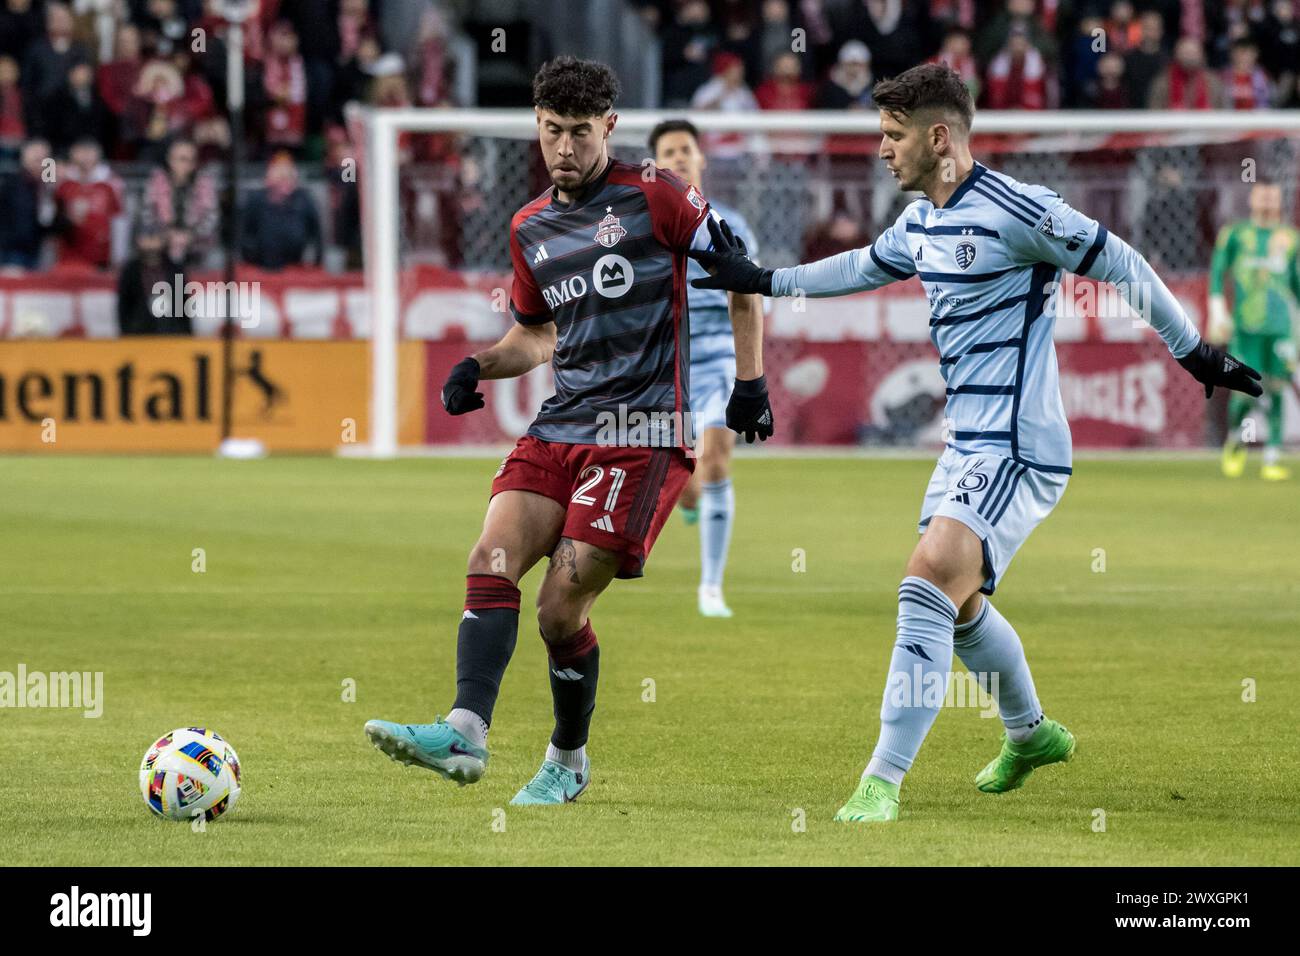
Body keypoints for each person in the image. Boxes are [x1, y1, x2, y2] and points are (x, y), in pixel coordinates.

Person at [689, 63, 1262, 824]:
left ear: (938, 136)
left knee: (926, 579)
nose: (883, 152)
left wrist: (1191, 349)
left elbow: (1119, 259)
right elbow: (862, 267)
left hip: (1019, 447)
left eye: (893, 137)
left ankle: (881, 781)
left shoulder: (1018, 209)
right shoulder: (923, 220)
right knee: (957, 609)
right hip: (967, 445)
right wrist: (764, 279)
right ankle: (1030, 734)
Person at [363, 56, 771, 805]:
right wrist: (480, 366)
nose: (566, 148)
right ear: (538, 127)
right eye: (552, 131)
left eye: (581, 133)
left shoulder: (659, 196)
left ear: (609, 127)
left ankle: (566, 760)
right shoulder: (530, 227)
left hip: (643, 432)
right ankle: (465, 732)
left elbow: (742, 276)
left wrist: (750, 385)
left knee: (558, 610)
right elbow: (535, 336)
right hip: (562, 424)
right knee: (489, 555)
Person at [650, 118, 763, 618]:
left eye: (685, 150)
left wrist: (750, 377)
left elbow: (751, 297)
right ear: (654, 167)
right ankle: (691, 501)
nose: (678, 158)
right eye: (668, 152)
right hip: (666, 364)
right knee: (682, 479)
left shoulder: (729, 225)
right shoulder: (643, 229)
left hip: (718, 358)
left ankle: (711, 587)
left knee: (716, 458)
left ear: (701, 160)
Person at [1210, 182, 1299, 481]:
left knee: (1277, 387)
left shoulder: (1291, 238)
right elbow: (1218, 272)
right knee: (1246, 388)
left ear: (1279, 199)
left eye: (1273, 194)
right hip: (1246, 327)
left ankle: (1272, 456)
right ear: (1251, 197)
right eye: (1262, 193)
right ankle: (1236, 437)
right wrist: (1217, 309)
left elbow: (1296, 283)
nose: (1267, 200)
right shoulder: (1236, 234)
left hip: (1281, 328)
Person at [53, 135, 122, 269]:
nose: (85, 157)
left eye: (89, 152)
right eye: (81, 152)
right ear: (72, 154)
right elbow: (50, 219)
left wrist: (119, 257)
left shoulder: (110, 184)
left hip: (100, 256)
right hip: (68, 257)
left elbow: (119, 221)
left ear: (98, 155)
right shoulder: (62, 184)